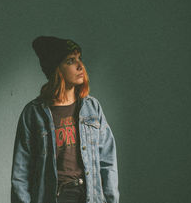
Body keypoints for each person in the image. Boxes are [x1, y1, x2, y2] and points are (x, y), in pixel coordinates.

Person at [11, 36, 119, 203]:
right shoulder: (34, 113)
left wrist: (112, 199)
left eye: (79, 59)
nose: (80, 66)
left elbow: (108, 161)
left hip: (89, 195)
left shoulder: (92, 107)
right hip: (55, 196)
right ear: (56, 69)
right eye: (70, 61)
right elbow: (20, 173)